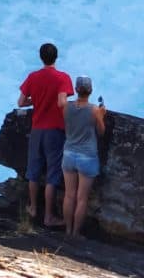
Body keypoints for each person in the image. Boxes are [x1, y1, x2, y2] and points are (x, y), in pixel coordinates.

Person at [18, 42, 74, 226]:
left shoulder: (33, 77)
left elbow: (21, 102)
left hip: (36, 129)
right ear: (55, 57)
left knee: (33, 171)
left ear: (41, 57)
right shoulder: (62, 78)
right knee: (52, 173)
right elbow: (62, 102)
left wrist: (37, 101)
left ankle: (33, 208)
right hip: (55, 131)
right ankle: (48, 216)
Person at [62, 75, 106, 237]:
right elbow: (101, 132)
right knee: (82, 198)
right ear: (91, 90)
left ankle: (67, 229)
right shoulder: (94, 110)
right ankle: (75, 233)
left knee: (69, 194)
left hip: (68, 153)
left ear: (76, 90)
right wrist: (101, 115)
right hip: (87, 156)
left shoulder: (66, 107)